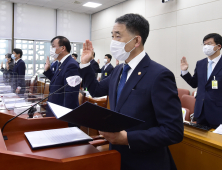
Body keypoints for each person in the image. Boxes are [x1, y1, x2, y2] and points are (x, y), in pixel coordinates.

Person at [79, 14, 183, 170]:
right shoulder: (119, 70)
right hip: (118, 157)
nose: (113, 42)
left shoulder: (159, 75)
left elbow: (173, 131)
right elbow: (96, 90)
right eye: (112, 36)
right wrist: (85, 64)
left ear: (136, 41)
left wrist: (128, 138)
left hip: (146, 162)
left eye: (118, 36)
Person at [181, 33, 222, 128]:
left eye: (209, 43)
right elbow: (194, 83)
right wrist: (185, 72)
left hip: (218, 113)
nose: (206, 46)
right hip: (200, 112)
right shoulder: (200, 63)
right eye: (204, 44)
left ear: (219, 46)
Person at [43, 36, 80, 121]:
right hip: (54, 109)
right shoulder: (61, 63)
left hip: (62, 114)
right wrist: (48, 70)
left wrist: (64, 118)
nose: (51, 49)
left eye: (53, 46)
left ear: (63, 48)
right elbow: (58, 82)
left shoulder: (71, 65)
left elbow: (70, 95)